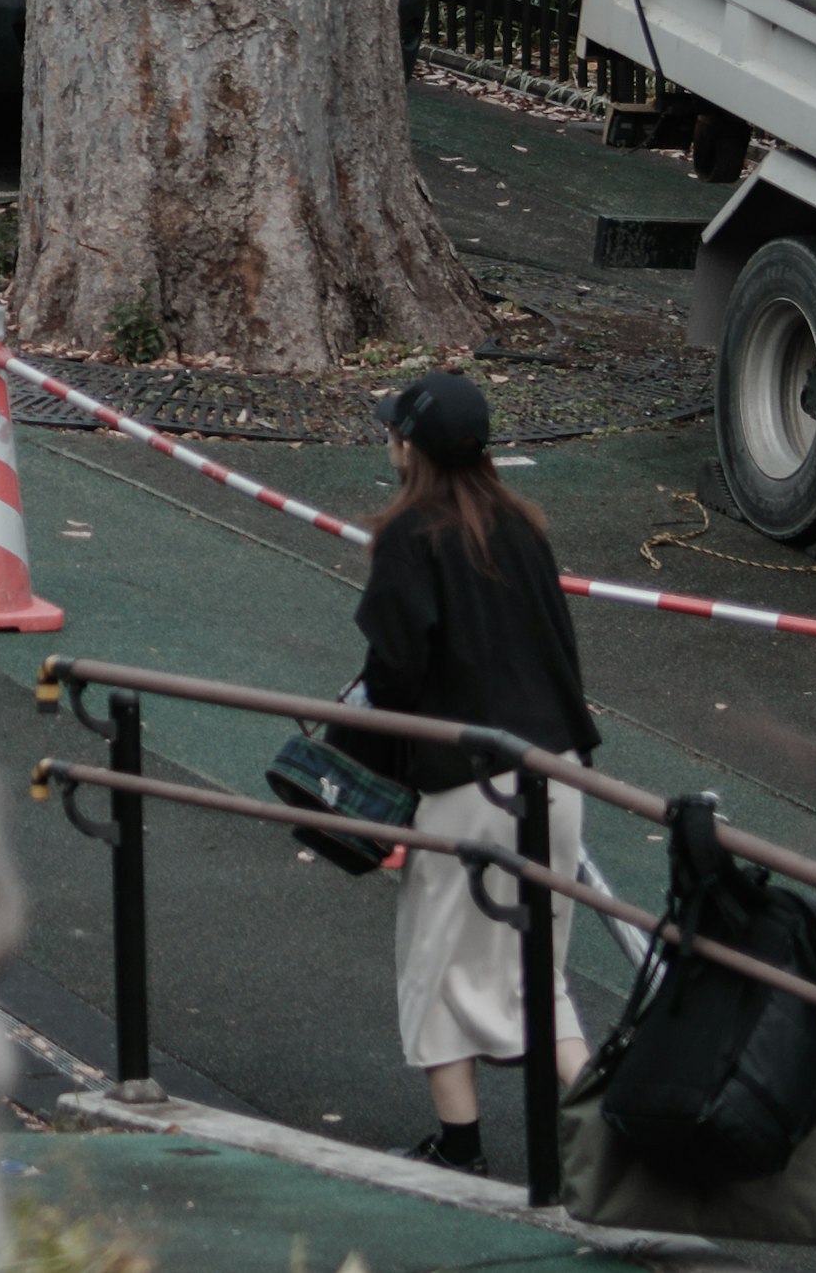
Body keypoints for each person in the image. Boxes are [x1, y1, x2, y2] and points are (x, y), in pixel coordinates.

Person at [352, 373, 602, 1176]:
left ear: (409, 447)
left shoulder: (409, 535)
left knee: (437, 959)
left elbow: (394, 667)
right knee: (535, 973)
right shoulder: (523, 528)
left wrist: (352, 732)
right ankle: (610, 1128)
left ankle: (459, 1147)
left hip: (468, 785)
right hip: (554, 774)